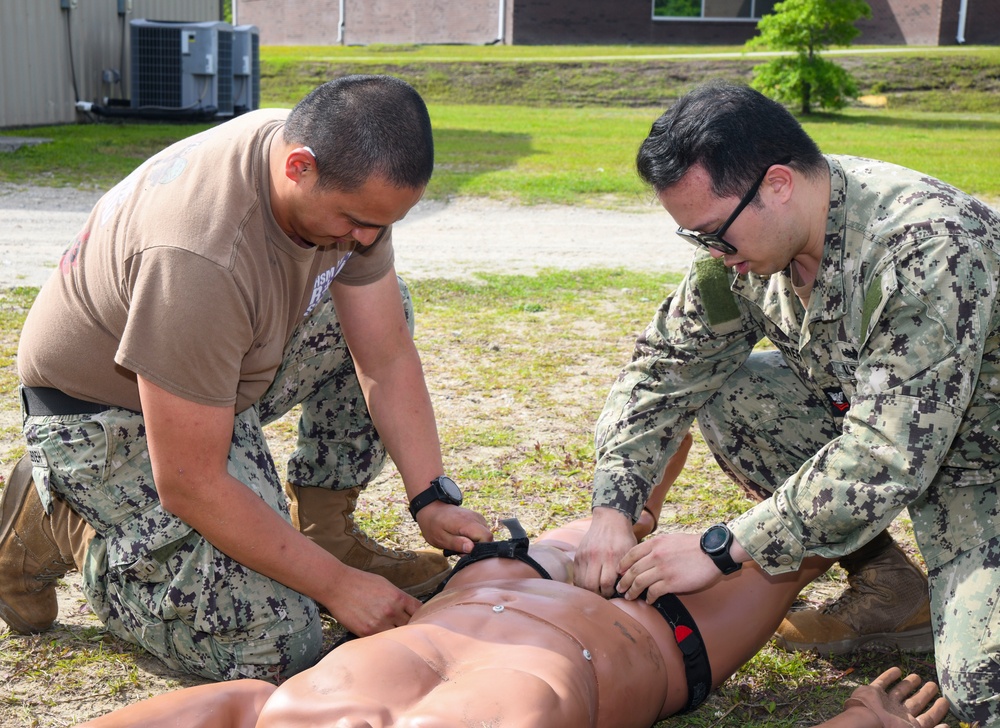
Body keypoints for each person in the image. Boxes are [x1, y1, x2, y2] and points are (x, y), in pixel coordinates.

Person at [0, 75, 492, 683]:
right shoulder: (199, 255)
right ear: (299, 167)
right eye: (356, 220)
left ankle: (325, 532)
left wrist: (430, 497)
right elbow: (192, 483)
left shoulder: (322, 158)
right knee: (273, 646)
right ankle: (65, 518)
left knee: (389, 308)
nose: (365, 239)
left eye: (382, 224)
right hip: (103, 413)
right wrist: (338, 589)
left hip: (215, 377)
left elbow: (385, 354)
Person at [573, 80, 1000, 725]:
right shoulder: (744, 252)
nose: (712, 255)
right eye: (697, 239)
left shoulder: (926, 244)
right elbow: (666, 368)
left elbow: (885, 455)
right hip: (888, 433)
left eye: (714, 233)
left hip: (979, 465)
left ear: (777, 184)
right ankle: (891, 587)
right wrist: (613, 507)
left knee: (980, 688)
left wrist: (726, 547)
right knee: (736, 393)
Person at [73, 440, 950, 728]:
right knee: (803, 523)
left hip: (492, 584)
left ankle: (633, 506)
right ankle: (881, 566)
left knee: (622, 515)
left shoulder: (287, 717)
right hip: (654, 639)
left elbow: (233, 704)